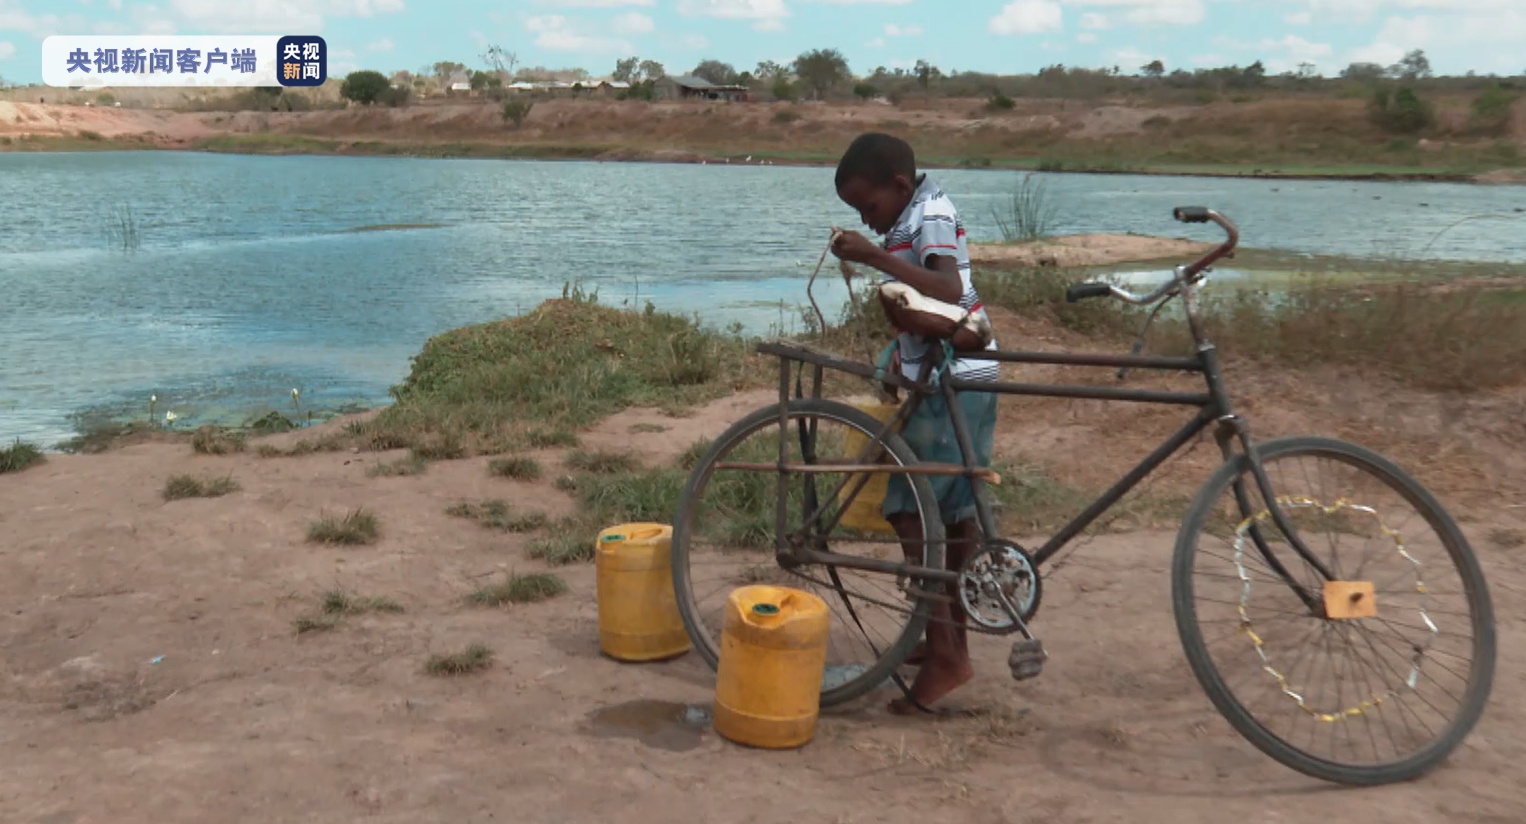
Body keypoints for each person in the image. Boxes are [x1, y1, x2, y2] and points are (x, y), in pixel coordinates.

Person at [828, 132, 1000, 715]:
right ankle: (944, 638)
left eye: (868, 207)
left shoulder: (930, 214)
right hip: (955, 377)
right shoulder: (915, 214)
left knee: (912, 510)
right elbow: (923, 307)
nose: (866, 221)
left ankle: (949, 654)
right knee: (950, 517)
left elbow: (949, 289)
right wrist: (898, 356)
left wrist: (874, 258)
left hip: (958, 380)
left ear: (900, 187)